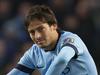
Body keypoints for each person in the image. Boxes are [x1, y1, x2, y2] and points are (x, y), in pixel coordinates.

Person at [7, 5, 98, 75]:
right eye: (32, 32)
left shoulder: (71, 40)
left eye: (41, 29)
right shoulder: (34, 53)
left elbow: (62, 59)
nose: (37, 36)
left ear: (53, 26)